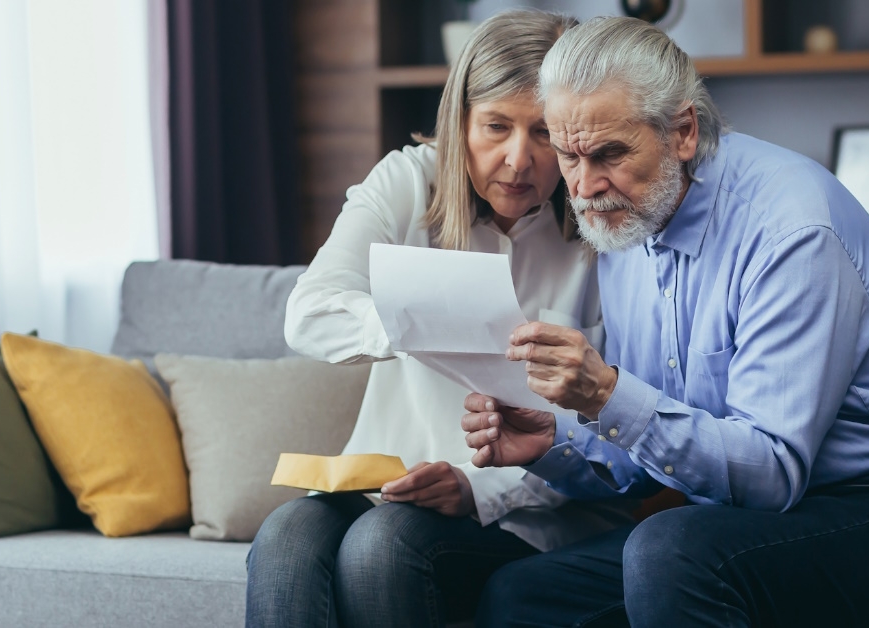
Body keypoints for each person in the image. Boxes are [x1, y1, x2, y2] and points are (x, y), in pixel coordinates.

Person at [459, 16, 869, 628]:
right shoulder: (625, 223)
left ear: (682, 130)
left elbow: (772, 472)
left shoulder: (793, 230)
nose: (585, 185)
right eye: (567, 153)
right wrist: (553, 443)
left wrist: (607, 393)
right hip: (730, 520)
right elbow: (646, 453)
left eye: (610, 154)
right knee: (520, 595)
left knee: (668, 551)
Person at [245, 10, 639, 628]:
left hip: (532, 512)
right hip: (384, 484)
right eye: (495, 126)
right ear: (459, 124)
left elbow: (617, 427)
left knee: (383, 547)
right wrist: (417, 321)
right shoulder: (407, 182)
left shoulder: (604, 229)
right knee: (286, 538)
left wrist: (474, 488)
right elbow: (310, 313)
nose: (517, 159)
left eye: (543, 133)